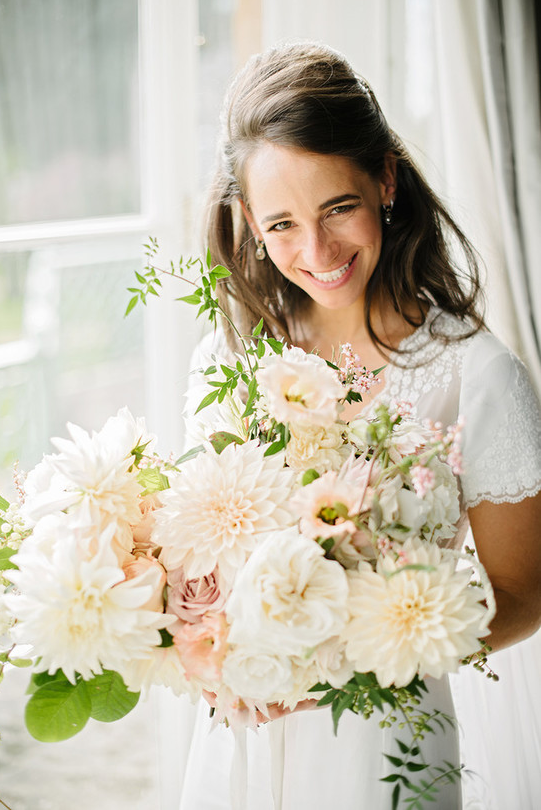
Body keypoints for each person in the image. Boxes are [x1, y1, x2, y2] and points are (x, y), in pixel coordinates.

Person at [176, 41, 541, 809]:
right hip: (245, 727)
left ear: (385, 179)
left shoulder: (475, 374)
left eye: (338, 207)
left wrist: (359, 648)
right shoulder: (228, 359)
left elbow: (523, 591)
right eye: (282, 223)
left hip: (385, 739)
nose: (317, 252)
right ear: (249, 221)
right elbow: (190, 545)